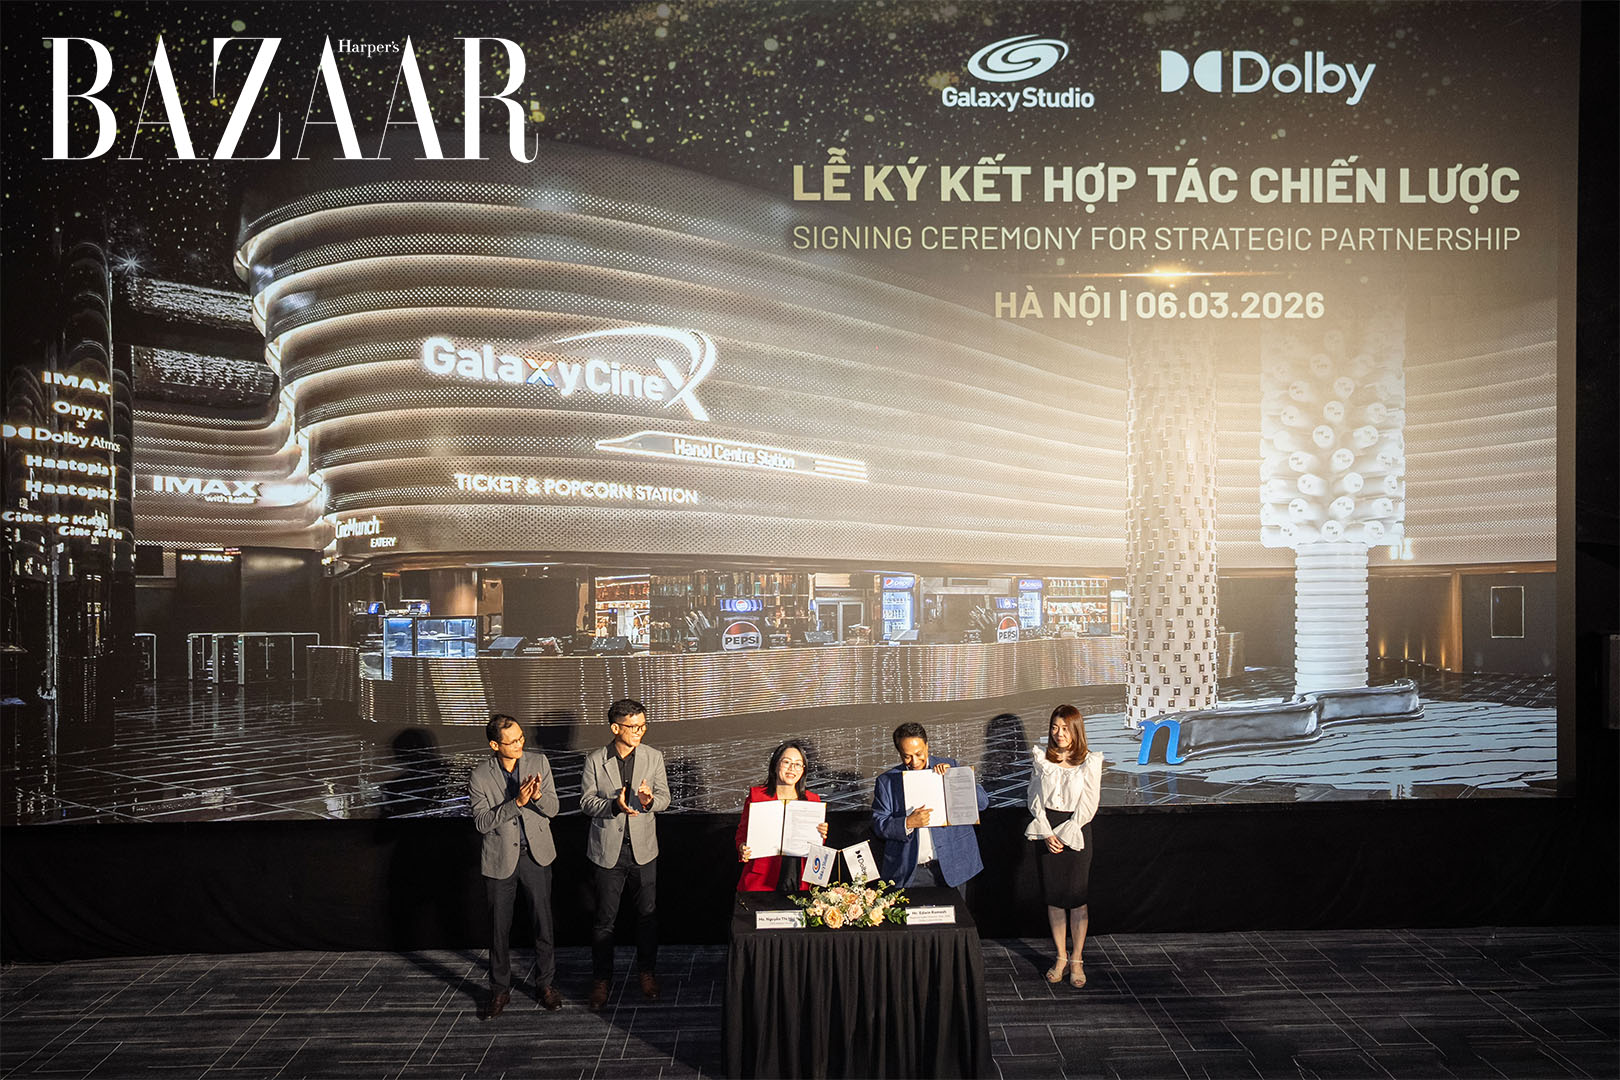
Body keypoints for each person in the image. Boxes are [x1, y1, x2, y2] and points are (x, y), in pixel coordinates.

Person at [468, 713, 561, 1020]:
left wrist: (537, 797)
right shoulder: (480, 775)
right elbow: (482, 823)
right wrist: (516, 803)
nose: (520, 744)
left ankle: (545, 984)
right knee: (499, 930)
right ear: (495, 745)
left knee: (543, 924)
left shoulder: (539, 762)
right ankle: (499, 989)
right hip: (499, 860)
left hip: (536, 855)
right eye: (512, 741)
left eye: (521, 738)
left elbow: (554, 809)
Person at [580, 697, 670, 1011]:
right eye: (633, 727)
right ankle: (601, 980)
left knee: (647, 917)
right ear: (615, 728)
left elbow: (664, 798)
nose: (639, 732)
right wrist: (613, 806)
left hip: (644, 850)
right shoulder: (595, 759)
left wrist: (649, 801)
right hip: (608, 852)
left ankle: (646, 973)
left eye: (643, 726)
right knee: (604, 921)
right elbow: (586, 802)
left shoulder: (653, 756)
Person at [1025, 704, 1104, 989]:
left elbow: (1089, 803)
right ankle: (1060, 956)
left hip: (1077, 829)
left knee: (1077, 899)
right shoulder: (1042, 759)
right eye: (1055, 727)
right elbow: (1034, 797)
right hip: (1047, 828)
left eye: (1065, 728)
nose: (1059, 733)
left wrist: (1067, 832)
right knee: (1055, 899)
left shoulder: (1089, 761)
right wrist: (1047, 832)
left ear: (1076, 730)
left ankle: (1077, 959)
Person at [871, 722, 988, 890]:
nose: (914, 761)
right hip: (910, 873)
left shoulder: (951, 766)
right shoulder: (887, 781)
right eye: (907, 756)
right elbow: (879, 824)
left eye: (919, 754)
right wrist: (907, 823)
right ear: (899, 753)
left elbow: (982, 803)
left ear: (927, 746)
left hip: (954, 867)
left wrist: (955, 778)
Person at [735, 739, 831, 891]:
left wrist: (821, 834)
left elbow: (815, 845)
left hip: (798, 872)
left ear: (803, 770)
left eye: (798, 764)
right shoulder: (757, 796)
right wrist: (742, 847)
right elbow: (742, 833)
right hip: (763, 873)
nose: (792, 768)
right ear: (775, 765)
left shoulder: (812, 800)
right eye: (787, 762)